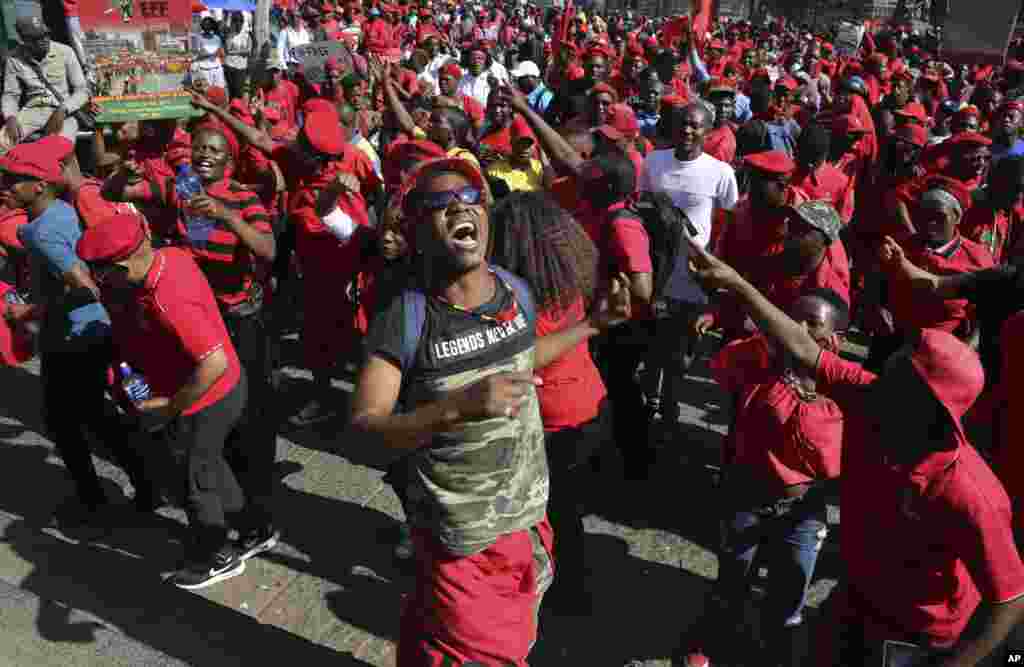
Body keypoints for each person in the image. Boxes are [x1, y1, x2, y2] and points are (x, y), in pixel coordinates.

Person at [688, 232, 1024, 667]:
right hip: (855, 602)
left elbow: (1010, 598)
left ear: (930, 407)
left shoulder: (970, 492)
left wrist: (955, 664)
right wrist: (736, 283)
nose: (879, 371)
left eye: (899, 371)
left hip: (917, 636)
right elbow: (801, 345)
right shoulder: (875, 397)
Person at [350, 156, 626, 665]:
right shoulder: (405, 316)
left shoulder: (514, 292)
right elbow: (364, 429)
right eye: (440, 203)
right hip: (462, 538)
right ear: (415, 229)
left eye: (471, 198)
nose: (461, 206)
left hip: (527, 519)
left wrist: (592, 325)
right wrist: (456, 408)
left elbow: (519, 360)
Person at [77, 212, 253, 590]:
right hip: (209, 391)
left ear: (123, 265)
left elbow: (213, 363)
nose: (97, 280)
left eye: (101, 272)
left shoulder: (166, 298)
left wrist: (171, 407)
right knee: (209, 465)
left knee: (194, 479)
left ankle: (218, 555)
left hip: (203, 401)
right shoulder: (169, 257)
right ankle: (254, 528)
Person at [684, 288, 849, 667]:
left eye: (813, 323)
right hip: (746, 497)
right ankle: (715, 643)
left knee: (790, 594)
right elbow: (721, 366)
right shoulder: (758, 360)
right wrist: (765, 343)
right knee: (732, 581)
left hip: (803, 511)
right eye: (793, 317)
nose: (798, 328)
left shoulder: (843, 385)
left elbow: (835, 459)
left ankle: (774, 651)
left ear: (835, 339)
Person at [2, 139, 155, 530]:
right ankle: (143, 484)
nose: (4, 184)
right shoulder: (59, 211)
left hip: (73, 336)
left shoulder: (40, 233)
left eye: (13, 179)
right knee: (92, 415)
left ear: (38, 186)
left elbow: (83, 285)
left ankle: (95, 501)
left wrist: (29, 311)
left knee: (67, 421)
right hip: (90, 329)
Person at [1, 16, 89, 153]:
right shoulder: (14, 59)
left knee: (58, 149)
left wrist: (63, 109)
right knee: (3, 143)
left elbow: (82, 90)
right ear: (24, 40)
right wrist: (10, 117)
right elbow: (11, 95)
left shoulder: (65, 52)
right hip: (33, 110)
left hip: (65, 111)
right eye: (36, 38)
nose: (44, 40)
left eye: (45, 35)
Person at [223, 12, 253, 101]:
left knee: (239, 92)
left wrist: (235, 51)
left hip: (242, 67)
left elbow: (249, 51)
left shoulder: (247, 35)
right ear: (233, 22)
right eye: (236, 21)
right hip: (230, 66)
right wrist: (242, 51)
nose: (238, 23)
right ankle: (232, 110)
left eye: (240, 21)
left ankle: (238, 110)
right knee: (232, 91)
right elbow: (228, 50)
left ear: (243, 22)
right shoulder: (230, 35)